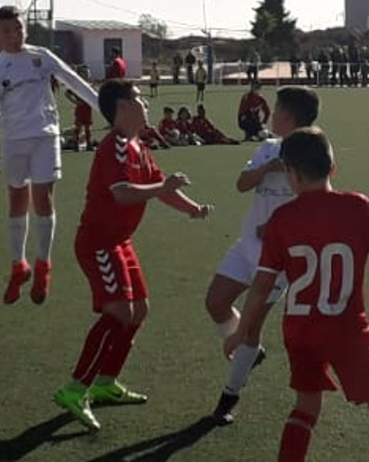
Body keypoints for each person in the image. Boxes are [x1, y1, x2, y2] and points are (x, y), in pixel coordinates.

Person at [53, 79, 212, 432]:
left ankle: (107, 383)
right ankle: (74, 389)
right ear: (123, 107)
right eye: (139, 99)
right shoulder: (115, 147)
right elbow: (124, 193)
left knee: (138, 310)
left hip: (119, 241)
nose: (146, 104)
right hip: (98, 243)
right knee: (120, 312)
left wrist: (192, 209)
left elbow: (159, 187)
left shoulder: (138, 145)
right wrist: (164, 187)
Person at [223, 128, 369, 462]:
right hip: (347, 328)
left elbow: (261, 286)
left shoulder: (281, 220)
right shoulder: (359, 208)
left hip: (301, 333)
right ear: (332, 167)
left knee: (306, 406)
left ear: (289, 173)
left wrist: (242, 332)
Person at [204, 86, 320, 425]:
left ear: (289, 116)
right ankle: (248, 354)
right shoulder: (269, 147)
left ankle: (229, 395)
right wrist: (267, 168)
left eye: (277, 109)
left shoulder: (313, 153)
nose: (270, 115)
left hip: (278, 258)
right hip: (245, 247)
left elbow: (314, 203)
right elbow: (242, 184)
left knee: (251, 327)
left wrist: (275, 226)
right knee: (215, 303)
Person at [0, 5, 98, 306]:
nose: (14, 34)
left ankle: (43, 264)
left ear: (25, 29)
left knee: (43, 198)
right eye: (7, 30)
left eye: (18, 28)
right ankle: (19, 265)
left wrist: (104, 106)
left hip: (46, 137)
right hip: (14, 141)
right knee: (17, 199)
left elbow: (73, 80)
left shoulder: (41, 57)